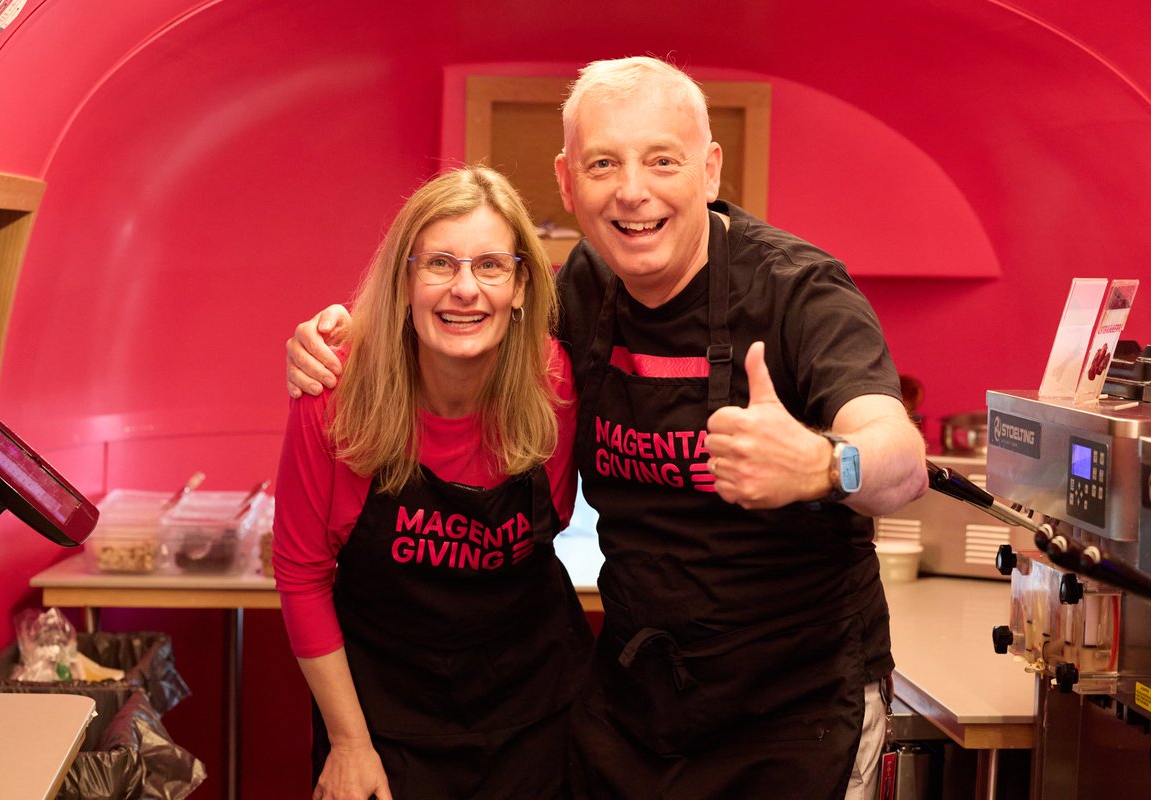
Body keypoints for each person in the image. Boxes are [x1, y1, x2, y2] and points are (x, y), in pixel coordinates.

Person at [286, 57, 928, 800]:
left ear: (710, 169)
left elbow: (902, 462)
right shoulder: (583, 288)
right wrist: (341, 339)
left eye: (662, 159)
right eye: (603, 163)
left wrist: (826, 466)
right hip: (641, 703)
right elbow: (466, 320)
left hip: (796, 708)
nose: (633, 190)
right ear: (567, 182)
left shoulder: (798, 292)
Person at [273, 165, 593, 800]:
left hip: (536, 713)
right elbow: (302, 575)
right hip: (381, 722)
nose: (465, 289)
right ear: (405, 281)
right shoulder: (334, 395)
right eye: (440, 264)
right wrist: (349, 744)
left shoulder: (552, 382)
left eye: (491, 266)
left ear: (522, 284)